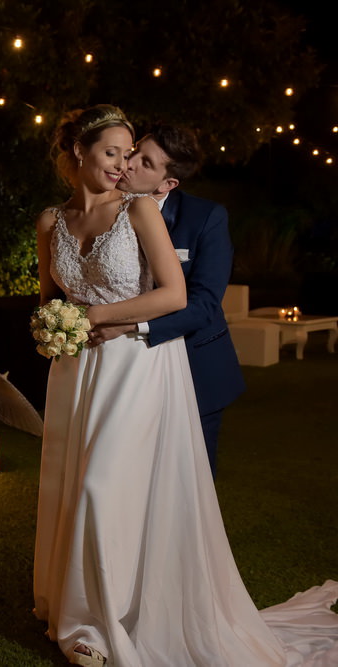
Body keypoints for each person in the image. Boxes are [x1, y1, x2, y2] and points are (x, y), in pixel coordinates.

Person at [31, 104, 338, 666]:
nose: (124, 166)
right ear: (78, 151)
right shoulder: (51, 221)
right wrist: (54, 326)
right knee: (73, 481)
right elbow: (51, 295)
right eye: (116, 153)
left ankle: (114, 620)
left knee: (114, 488)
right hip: (77, 371)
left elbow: (183, 298)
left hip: (140, 365)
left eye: (133, 157)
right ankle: (76, 610)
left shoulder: (147, 211)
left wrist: (95, 319)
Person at [88, 125, 243, 477]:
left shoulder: (206, 218)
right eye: (135, 150)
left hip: (194, 366)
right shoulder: (100, 207)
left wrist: (130, 325)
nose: (128, 164)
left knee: (189, 482)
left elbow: (204, 304)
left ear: (166, 184)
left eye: (146, 162)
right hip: (124, 369)